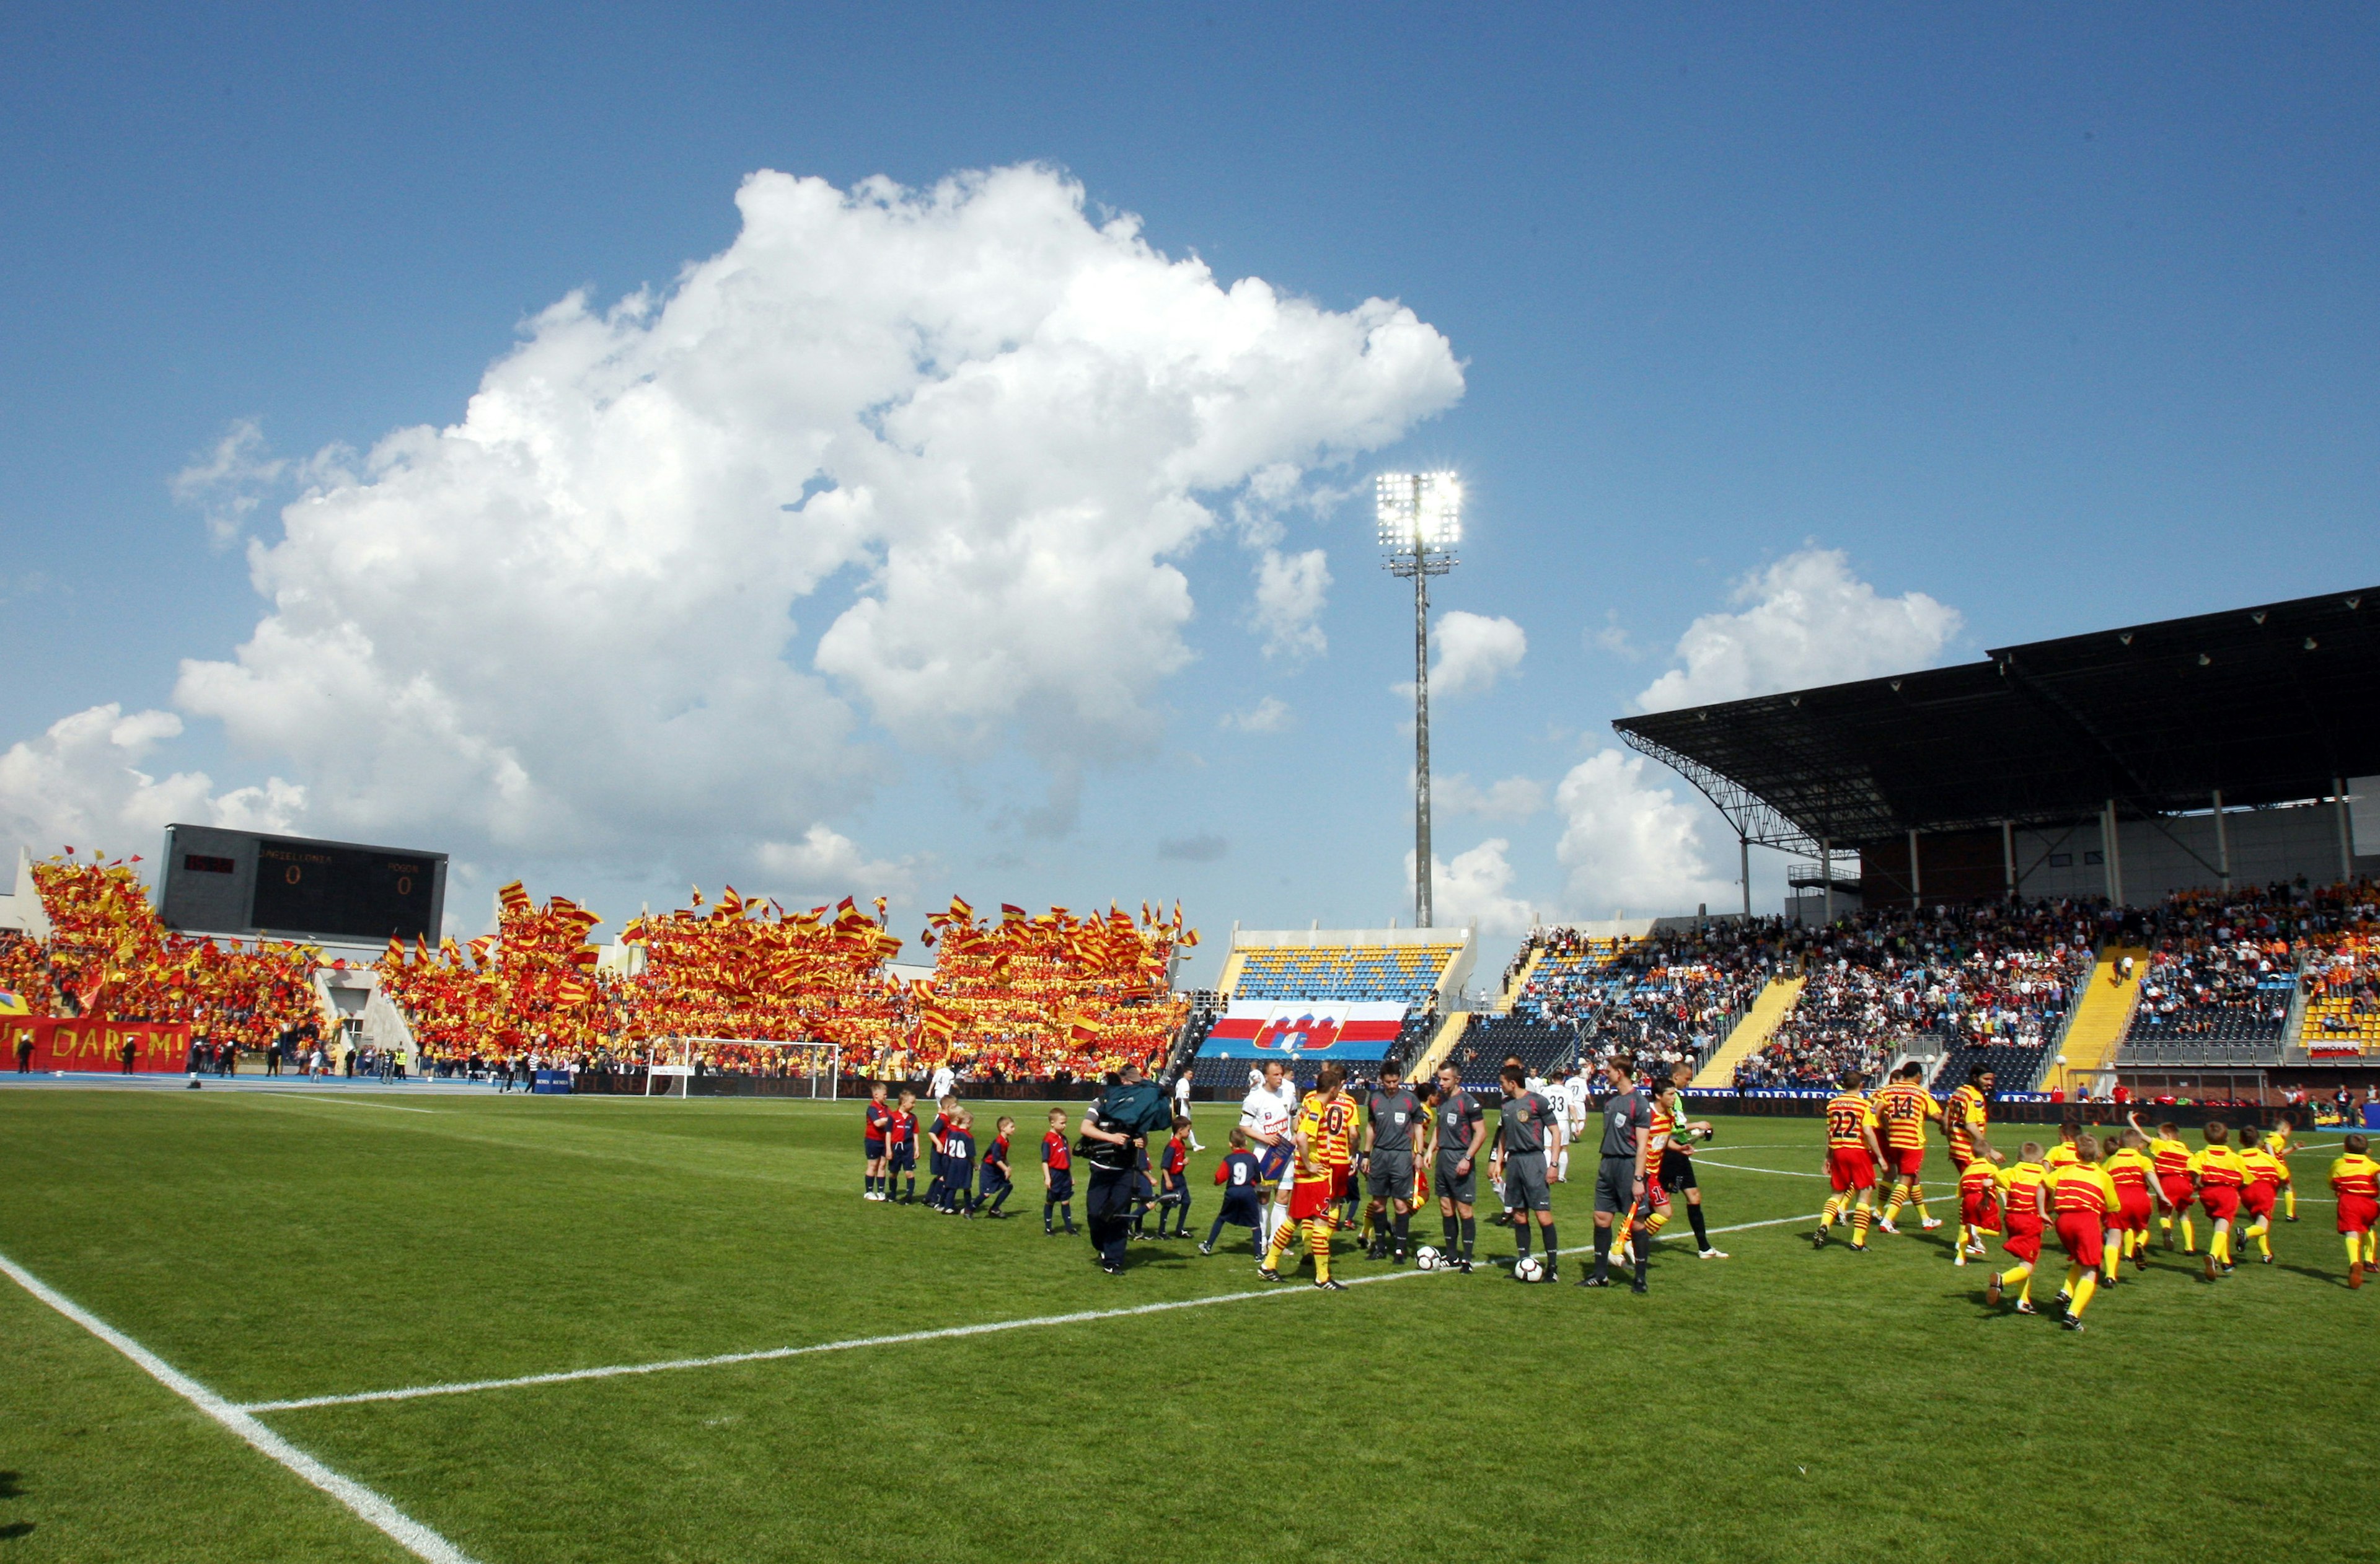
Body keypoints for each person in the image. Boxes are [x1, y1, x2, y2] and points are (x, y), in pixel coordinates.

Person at [1259, 1062, 1355, 1291]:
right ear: (1333, 1089)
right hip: (1314, 1178)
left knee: (1294, 1219)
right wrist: (1311, 1164)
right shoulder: (1317, 1108)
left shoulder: (1310, 1104)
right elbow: (1302, 1137)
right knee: (1321, 1222)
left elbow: (1297, 1130)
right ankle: (1322, 1277)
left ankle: (1269, 1264)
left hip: (1303, 1177)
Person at [1580, 1056, 1648, 1290]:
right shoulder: (1610, 1101)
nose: (1605, 1074)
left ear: (1620, 1072)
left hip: (1628, 1166)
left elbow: (1642, 1147)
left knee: (1637, 1223)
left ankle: (1640, 1278)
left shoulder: (1639, 1103)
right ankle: (1601, 1275)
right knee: (1601, 1217)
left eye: (1609, 1071)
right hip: (1607, 1164)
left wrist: (1638, 1178)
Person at [1078, 1066, 1152, 1275]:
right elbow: (1086, 1128)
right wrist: (1111, 1138)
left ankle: (1113, 1261)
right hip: (1101, 1168)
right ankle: (1101, 1246)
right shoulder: (1101, 1102)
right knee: (1095, 1214)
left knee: (1119, 1215)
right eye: (1130, 1082)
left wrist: (1141, 1141)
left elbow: (1143, 1137)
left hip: (1125, 1170)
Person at [2043, 1133, 2120, 1331]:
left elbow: (2044, 1183)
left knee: (2081, 1259)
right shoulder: (2103, 1176)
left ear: (2076, 1154)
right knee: (2091, 1270)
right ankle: (2073, 1315)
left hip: (2063, 1222)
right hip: (2086, 1221)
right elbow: (2113, 1206)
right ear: (2099, 1155)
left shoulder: (2064, 1170)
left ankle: (2065, 1292)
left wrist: (2045, 1210)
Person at [1654, 1070, 1727, 1259]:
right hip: (1670, 1155)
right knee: (1663, 1203)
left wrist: (1695, 1135)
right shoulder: (1671, 1098)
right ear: (1677, 1076)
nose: (1688, 1082)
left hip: (1678, 1153)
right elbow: (1672, 1127)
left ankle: (1705, 1248)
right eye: (1687, 1078)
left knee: (1694, 1196)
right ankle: (1631, 1239)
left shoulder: (1674, 1097)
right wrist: (1696, 1126)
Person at [1360, 1061, 1424, 1263]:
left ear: (1400, 1079)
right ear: (1382, 1080)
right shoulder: (1375, 1098)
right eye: (1388, 1082)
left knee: (1400, 1203)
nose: (1392, 1085)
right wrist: (1366, 1154)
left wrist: (1419, 1153)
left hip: (1401, 1156)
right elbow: (1371, 1127)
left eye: (1395, 1081)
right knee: (1378, 1203)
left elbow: (1418, 1126)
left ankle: (1400, 1250)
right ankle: (1380, 1247)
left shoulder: (1410, 1099)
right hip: (1380, 1155)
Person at [1814, 1072, 1885, 1251]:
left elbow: (1829, 1132)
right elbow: (1868, 1132)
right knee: (1865, 1194)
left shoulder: (1833, 1104)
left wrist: (1828, 1157)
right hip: (1858, 1151)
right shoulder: (1864, 1105)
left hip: (1839, 1151)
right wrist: (1880, 1157)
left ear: (1844, 1085)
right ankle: (1858, 1241)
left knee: (1837, 1194)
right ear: (1861, 1085)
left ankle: (1824, 1224)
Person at [1871, 1061, 1943, 1234]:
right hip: (1912, 1142)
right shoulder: (1921, 1093)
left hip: (1894, 1141)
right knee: (1905, 1181)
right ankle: (1887, 1220)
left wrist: (1887, 1127)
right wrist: (1948, 1126)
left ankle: (1925, 1219)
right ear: (1918, 1075)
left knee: (1913, 1179)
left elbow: (1876, 1111)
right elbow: (1937, 1116)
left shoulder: (1888, 1090)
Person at [1432, 1061, 1486, 1274]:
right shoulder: (1442, 1100)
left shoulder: (1468, 1102)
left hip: (1460, 1157)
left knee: (1464, 1210)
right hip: (1444, 1158)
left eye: (1446, 1079)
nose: (1441, 1083)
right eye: (1439, 1079)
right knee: (1446, 1207)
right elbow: (1439, 1127)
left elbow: (1481, 1133)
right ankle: (1452, 1255)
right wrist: (1430, 1151)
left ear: (1457, 1079)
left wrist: (1467, 1158)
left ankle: (1467, 1259)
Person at [1985, 1143, 2052, 1313]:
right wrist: (2046, 1213)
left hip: (2012, 1219)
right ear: (2041, 1160)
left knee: (2024, 1260)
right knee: (2028, 1265)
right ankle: (2002, 1280)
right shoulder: (2044, 1174)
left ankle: (2023, 1301)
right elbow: (2050, 1192)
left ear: (2018, 1158)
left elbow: (1992, 1179)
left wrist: (1989, 1186)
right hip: (2030, 1220)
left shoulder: (2012, 1171)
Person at [1238, 1060, 1298, 1247]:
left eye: (1281, 1074)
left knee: (1283, 1197)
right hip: (1264, 1153)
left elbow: (1295, 1118)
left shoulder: (1288, 1095)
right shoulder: (1254, 1099)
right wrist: (1265, 1138)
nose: (1280, 1078)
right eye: (1276, 1075)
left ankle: (1276, 1242)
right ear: (1266, 1077)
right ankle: (1262, 1240)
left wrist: (1297, 1135)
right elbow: (1244, 1127)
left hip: (1286, 1154)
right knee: (1263, 1198)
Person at [2189, 1122, 2252, 1281]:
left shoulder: (2201, 1155)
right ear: (2228, 1138)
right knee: (2223, 1225)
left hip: (2207, 1193)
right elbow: (2247, 1179)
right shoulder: (2235, 1158)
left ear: (2206, 1138)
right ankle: (2213, 1256)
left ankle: (2226, 1262)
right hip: (2227, 1193)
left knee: (2218, 1227)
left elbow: (2192, 1169)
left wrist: (2197, 1181)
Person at [2136, 1115, 2197, 1253]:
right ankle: (2189, 1247)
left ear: (2168, 1136)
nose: (2158, 1137)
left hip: (2167, 1182)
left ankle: (2166, 1229)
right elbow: (2193, 1169)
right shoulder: (2186, 1151)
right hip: (2184, 1183)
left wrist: (2131, 1121)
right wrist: (2194, 1184)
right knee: (2184, 1214)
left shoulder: (2161, 1145)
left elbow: (2142, 1136)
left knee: (2165, 1212)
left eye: (2159, 1135)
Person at [1202, 1128, 1267, 1255]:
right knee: (1255, 1224)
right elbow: (1258, 1178)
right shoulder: (1253, 1158)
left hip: (1233, 1192)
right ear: (1246, 1143)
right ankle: (1258, 1254)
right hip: (1248, 1192)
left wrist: (1216, 1183)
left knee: (1222, 1218)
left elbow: (1220, 1177)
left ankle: (1208, 1246)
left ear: (1230, 1144)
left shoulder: (1229, 1159)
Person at [2103, 1130, 2157, 1280]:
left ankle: (2110, 1276)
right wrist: (2162, 1194)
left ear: (2120, 1143)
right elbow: (2150, 1175)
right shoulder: (2143, 1160)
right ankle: (2139, 1243)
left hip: (2118, 1198)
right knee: (2142, 1229)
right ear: (2140, 1145)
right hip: (2140, 1197)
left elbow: (2102, 1180)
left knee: (2114, 1237)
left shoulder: (2111, 1161)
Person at [2327, 1133, 2379, 1288]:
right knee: (2368, 1227)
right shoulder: (2372, 1165)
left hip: (2349, 1202)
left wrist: (2336, 1188)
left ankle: (2355, 1263)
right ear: (2367, 1150)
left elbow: (2331, 1181)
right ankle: (2369, 1260)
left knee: (2352, 1232)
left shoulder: (2338, 1163)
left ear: (2345, 1147)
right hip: (2369, 1204)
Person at [2238, 1136, 2286, 1265]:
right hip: (2264, 1193)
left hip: (2246, 1194)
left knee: (2259, 1223)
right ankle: (2246, 1233)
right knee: (2262, 1226)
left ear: (2241, 1141)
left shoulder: (2237, 1157)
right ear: (2259, 1142)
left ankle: (2266, 1254)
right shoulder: (2268, 1158)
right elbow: (2284, 1175)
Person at [1944, 1065, 1997, 1177]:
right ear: (1975, 1078)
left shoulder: (1959, 1092)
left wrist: (1952, 1144)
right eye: (1986, 1079)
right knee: (1978, 1185)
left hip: (1957, 1149)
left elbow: (1946, 1120)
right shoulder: (1973, 1096)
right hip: (1969, 1151)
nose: (1990, 1083)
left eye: (1992, 1080)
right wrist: (1990, 1151)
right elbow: (1971, 1126)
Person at [1954, 1153, 2001, 1269]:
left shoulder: (1967, 1170)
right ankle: (1977, 1230)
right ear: (1988, 1156)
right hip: (1984, 1199)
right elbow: (1999, 1182)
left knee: (1967, 1228)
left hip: (1968, 1200)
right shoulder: (1991, 1167)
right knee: (1996, 1230)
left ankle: (1960, 1258)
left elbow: (1959, 1192)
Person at [1153, 1117, 1193, 1238]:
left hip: (1180, 1179)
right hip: (1171, 1178)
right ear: (1180, 1130)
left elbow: (1178, 1161)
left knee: (1186, 1201)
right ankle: (1161, 1231)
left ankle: (1180, 1229)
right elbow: (1165, 1166)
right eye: (1188, 1130)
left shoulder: (1181, 1144)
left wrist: (1184, 1162)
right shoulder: (1172, 1146)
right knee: (1167, 1205)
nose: (1189, 1133)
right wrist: (1168, 1181)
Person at [1041, 1107, 1078, 1235]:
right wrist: (1048, 1177)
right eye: (1062, 1123)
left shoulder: (1064, 1138)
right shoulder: (1048, 1140)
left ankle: (1069, 1227)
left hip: (1065, 1175)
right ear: (1052, 1123)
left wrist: (1070, 1176)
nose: (1064, 1126)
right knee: (1051, 1200)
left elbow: (1067, 1159)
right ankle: (1048, 1227)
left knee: (1066, 1200)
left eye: (1065, 1123)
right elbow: (1045, 1161)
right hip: (1055, 1174)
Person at [974, 1116, 1015, 1218]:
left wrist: (1008, 1166)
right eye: (1012, 1127)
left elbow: (1003, 1157)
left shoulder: (1006, 1141)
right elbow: (996, 1159)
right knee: (986, 1193)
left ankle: (995, 1208)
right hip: (989, 1169)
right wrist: (1005, 1169)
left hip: (996, 1169)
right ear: (1003, 1128)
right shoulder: (999, 1142)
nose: (1014, 1129)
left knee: (1008, 1186)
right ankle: (969, 1209)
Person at [2261, 1114, 2298, 1222]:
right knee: (2288, 1189)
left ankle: (2266, 1212)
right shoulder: (2277, 1138)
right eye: (2289, 1131)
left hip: (2270, 1167)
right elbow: (2269, 1145)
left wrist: (2293, 1148)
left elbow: (2279, 1153)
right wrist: (2273, 1159)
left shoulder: (2270, 1136)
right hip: (2278, 1168)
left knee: (2274, 1191)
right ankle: (2290, 1215)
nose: (2289, 1133)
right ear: (2283, 1130)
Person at [888, 1090, 920, 1203]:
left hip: (908, 1148)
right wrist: (889, 1149)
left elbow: (915, 1134)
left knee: (909, 1172)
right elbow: (888, 1133)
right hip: (896, 1148)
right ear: (904, 1102)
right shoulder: (893, 1116)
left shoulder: (913, 1118)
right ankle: (892, 1195)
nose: (914, 1105)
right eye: (912, 1102)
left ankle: (909, 1197)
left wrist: (917, 1148)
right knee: (893, 1173)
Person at [862, 1083, 893, 1201]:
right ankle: (869, 1191)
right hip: (873, 1141)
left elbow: (892, 1121)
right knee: (873, 1165)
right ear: (876, 1095)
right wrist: (887, 1120)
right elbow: (877, 1123)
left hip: (885, 1141)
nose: (886, 1097)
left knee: (882, 1165)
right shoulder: (872, 1108)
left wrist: (886, 1120)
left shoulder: (886, 1109)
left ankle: (881, 1192)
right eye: (884, 1094)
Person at [944, 1111, 977, 1219]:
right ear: (968, 1122)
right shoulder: (968, 1136)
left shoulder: (953, 1133)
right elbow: (970, 1154)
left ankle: (948, 1207)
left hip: (953, 1161)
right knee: (966, 1186)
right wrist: (975, 1164)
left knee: (952, 1185)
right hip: (964, 1163)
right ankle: (968, 1207)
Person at [1173, 1070, 1202, 1151]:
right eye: (1190, 1074)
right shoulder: (1185, 1083)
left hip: (1178, 1105)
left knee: (1180, 1124)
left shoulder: (1179, 1081)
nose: (1191, 1076)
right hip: (1183, 1106)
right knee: (1184, 1125)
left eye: (1192, 1074)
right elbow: (1185, 1097)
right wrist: (1188, 1105)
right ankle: (1194, 1146)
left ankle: (1194, 1145)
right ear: (1185, 1073)